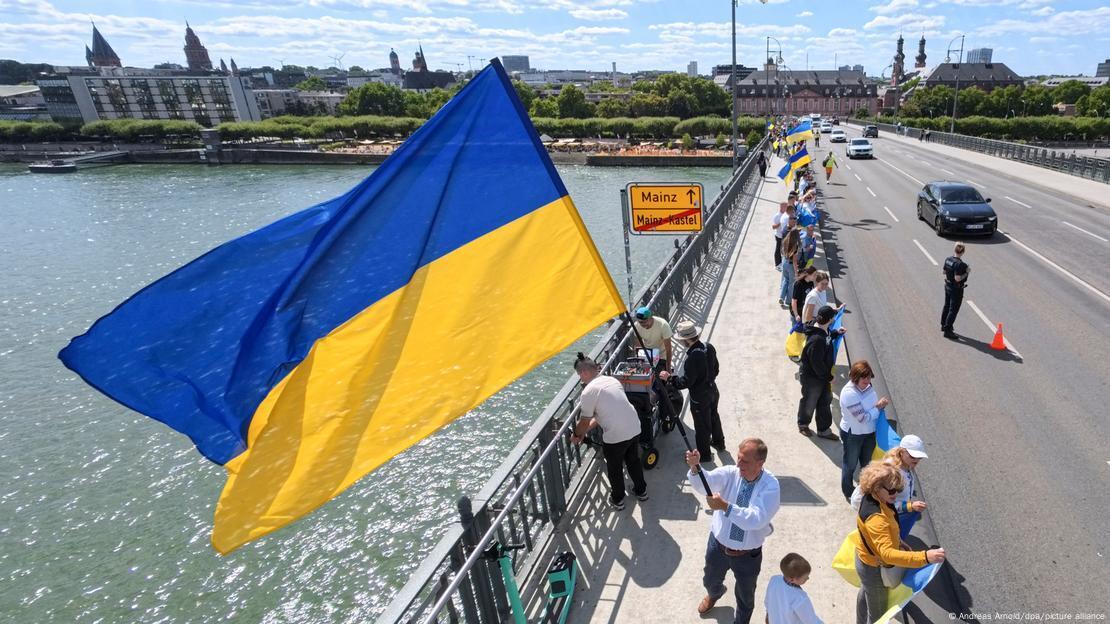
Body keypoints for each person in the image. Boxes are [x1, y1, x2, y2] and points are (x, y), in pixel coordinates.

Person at [686, 438, 781, 624]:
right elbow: (707, 482)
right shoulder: (731, 472)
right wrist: (695, 468)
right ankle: (715, 593)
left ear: (760, 463)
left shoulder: (771, 486)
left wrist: (725, 506)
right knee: (710, 580)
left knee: (745, 597)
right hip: (718, 546)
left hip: (748, 556)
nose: (738, 464)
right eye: (738, 458)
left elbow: (756, 519)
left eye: (745, 461)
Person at [855, 463, 945, 624]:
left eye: (898, 489)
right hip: (874, 569)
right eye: (891, 490)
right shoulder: (876, 518)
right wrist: (925, 557)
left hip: (866, 560)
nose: (895, 494)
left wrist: (899, 541)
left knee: (867, 593)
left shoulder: (875, 498)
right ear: (876, 487)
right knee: (878, 615)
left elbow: (886, 531)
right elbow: (887, 555)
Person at [570, 354, 649, 510]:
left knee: (614, 468)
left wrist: (577, 435)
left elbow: (584, 421)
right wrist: (584, 431)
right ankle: (642, 491)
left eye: (579, 375)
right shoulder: (612, 380)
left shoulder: (588, 392)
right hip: (634, 426)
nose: (580, 379)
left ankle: (618, 499)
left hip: (615, 436)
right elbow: (604, 414)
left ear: (584, 372)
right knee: (633, 461)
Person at [659, 321, 723, 458]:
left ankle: (704, 455)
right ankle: (719, 442)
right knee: (714, 416)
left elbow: (685, 382)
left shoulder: (692, 358)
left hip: (700, 397)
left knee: (702, 426)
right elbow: (716, 369)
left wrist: (669, 378)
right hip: (713, 390)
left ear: (686, 340)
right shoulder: (709, 347)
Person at [850, 436, 930, 534]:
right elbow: (883, 502)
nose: (916, 460)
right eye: (913, 456)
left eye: (919, 457)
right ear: (901, 452)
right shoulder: (890, 472)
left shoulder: (905, 463)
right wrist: (909, 506)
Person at [838, 360, 889, 501]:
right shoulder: (849, 394)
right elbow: (863, 418)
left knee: (867, 464)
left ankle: (865, 489)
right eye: (864, 379)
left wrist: (877, 408)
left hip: (868, 433)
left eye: (869, 378)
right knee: (850, 465)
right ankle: (848, 492)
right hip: (853, 435)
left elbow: (869, 409)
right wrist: (878, 407)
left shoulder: (867, 386)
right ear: (855, 377)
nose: (867, 382)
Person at [797, 305, 843, 440]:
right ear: (829, 320)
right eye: (833, 317)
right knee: (810, 401)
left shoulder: (823, 329)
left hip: (821, 376)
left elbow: (827, 337)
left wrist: (835, 333)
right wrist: (829, 377)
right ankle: (803, 425)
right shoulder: (816, 339)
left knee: (825, 400)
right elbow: (816, 363)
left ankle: (824, 430)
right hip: (812, 378)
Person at [764, 553, 824, 624]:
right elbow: (811, 621)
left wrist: (768, 617)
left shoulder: (774, 580)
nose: (808, 578)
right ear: (792, 580)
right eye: (805, 577)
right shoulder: (800, 598)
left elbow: (767, 602)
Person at [941, 243, 969, 339]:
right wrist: (966, 273)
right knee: (953, 310)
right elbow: (957, 278)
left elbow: (944, 272)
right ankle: (948, 330)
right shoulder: (960, 264)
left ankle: (943, 325)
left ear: (954, 250)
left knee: (947, 305)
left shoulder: (948, 259)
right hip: (956, 289)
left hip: (947, 285)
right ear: (963, 252)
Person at [632, 306, 673, 371]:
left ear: (651, 317)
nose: (643, 324)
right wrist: (640, 360)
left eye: (645, 321)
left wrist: (668, 366)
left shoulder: (663, 325)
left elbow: (668, 348)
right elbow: (638, 346)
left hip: (662, 356)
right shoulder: (637, 326)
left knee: (660, 375)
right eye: (640, 322)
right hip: (647, 355)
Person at [779, 221, 801, 308]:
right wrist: (796, 272)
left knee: (785, 280)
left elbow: (781, 251)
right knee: (791, 283)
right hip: (791, 265)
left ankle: (781, 297)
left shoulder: (785, 241)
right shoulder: (795, 246)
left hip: (784, 261)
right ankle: (788, 301)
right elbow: (795, 261)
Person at [771, 202, 789, 269]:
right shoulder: (777, 216)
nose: (787, 208)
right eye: (786, 206)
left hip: (785, 236)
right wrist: (780, 223)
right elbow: (773, 227)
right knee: (778, 249)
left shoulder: (786, 215)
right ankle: (777, 264)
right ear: (781, 207)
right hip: (779, 235)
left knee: (782, 249)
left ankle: (781, 262)